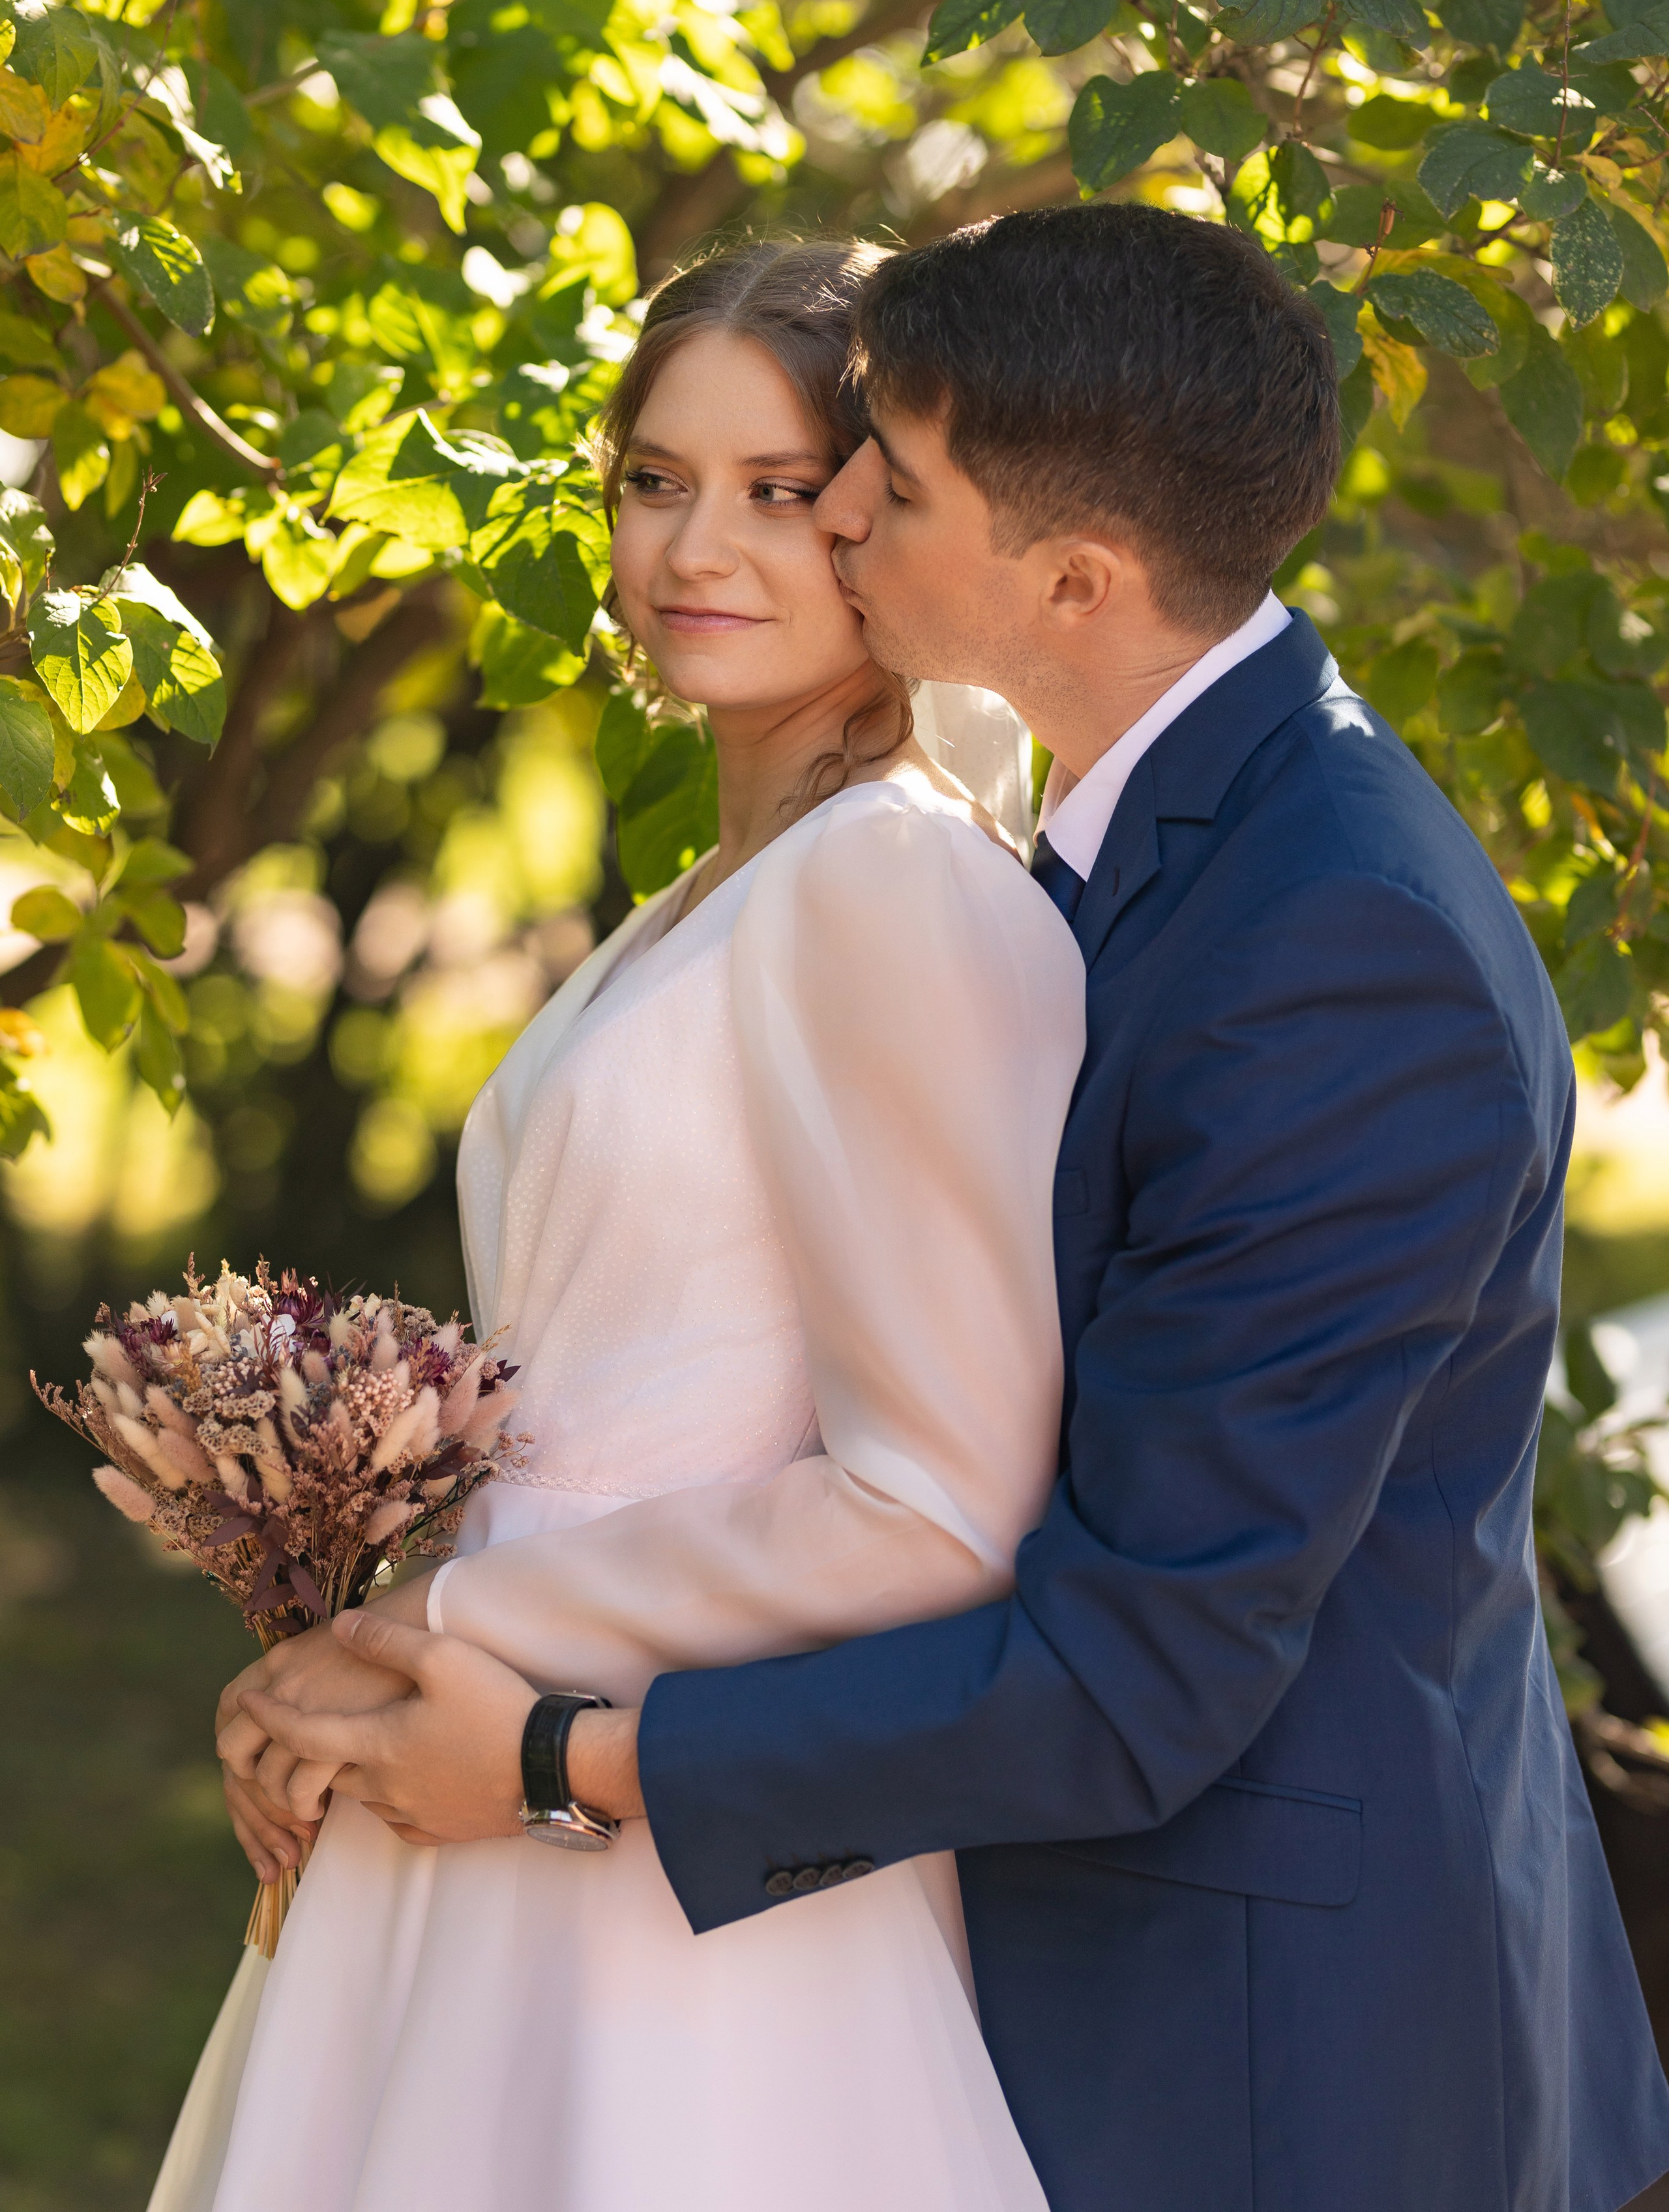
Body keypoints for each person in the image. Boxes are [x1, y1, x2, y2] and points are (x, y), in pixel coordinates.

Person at [221, 204, 1669, 2212]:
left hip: (1269, 2033)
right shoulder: (1122, 857)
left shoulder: (1343, 943)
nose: (822, 539)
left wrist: (545, 1747)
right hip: (996, 1894)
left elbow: (1137, 1652)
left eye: (869, 493)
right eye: (665, 482)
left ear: (1071, 576)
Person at [156, 237, 1083, 2212]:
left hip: (663, 1865)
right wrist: (343, 1608)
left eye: (778, 494)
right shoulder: (709, 892)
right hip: (470, 1789)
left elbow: (937, 1506)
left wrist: (435, 1634)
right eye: (655, 480)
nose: (696, 548)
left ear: (881, 522)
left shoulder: (892, 889)